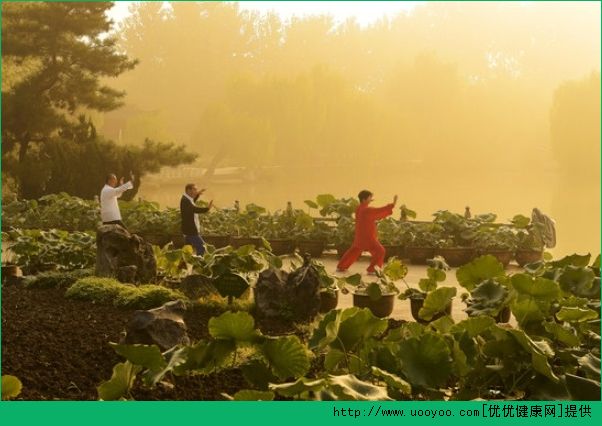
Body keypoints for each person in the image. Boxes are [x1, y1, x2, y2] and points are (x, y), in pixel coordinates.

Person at [337, 190, 398, 274]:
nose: (371, 199)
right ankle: (373, 269)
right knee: (380, 251)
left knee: (354, 251)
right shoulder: (366, 210)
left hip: (360, 236)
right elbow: (379, 211)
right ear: (364, 199)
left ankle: (341, 266)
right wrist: (392, 204)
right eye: (370, 198)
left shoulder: (359, 208)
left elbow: (374, 214)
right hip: (368, 237)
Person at [180, 183, 213, 255]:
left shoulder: (187, 198)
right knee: (201, 247)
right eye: (195, 189)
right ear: (188, 190)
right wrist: (207, 209)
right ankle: (198, 265)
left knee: (187, 250)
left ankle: (181, 265)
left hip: (187, 229)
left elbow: (192, 201)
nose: (196, 191)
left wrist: (197, 194)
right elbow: (194, 209)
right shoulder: (185, 201)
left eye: (196, 190)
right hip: (191, 230)